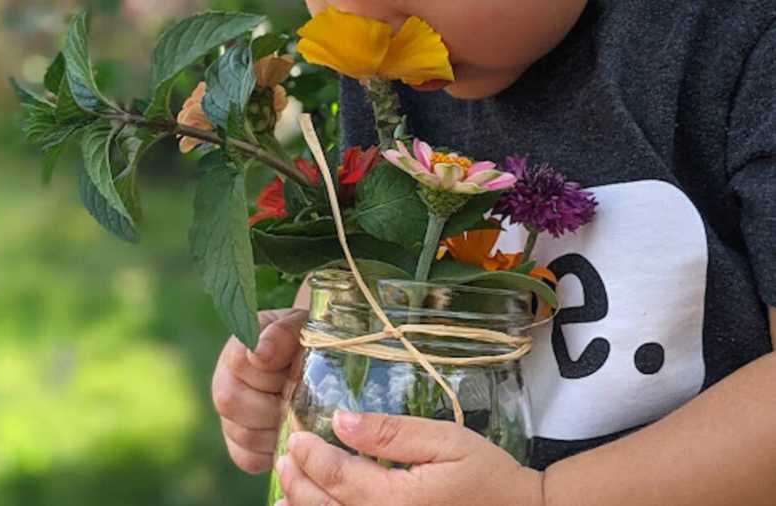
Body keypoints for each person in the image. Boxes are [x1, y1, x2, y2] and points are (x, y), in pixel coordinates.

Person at [212, 0, 776, 504]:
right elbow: (374, 262)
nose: (360, 13)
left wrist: (547, 497)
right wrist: (314, 351)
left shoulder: (735, 39)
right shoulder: (395, 67)